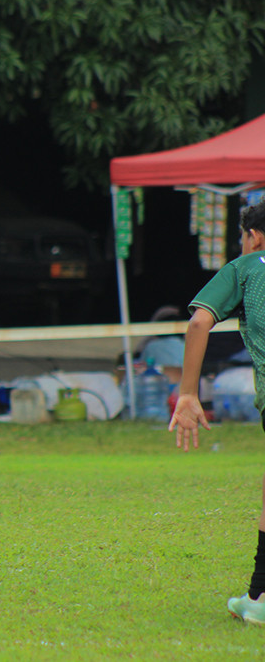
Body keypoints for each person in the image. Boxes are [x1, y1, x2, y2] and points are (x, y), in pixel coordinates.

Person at [170, 200, 265, 624]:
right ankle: (259, 596)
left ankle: (260, 602)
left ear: (254, 236)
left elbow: (197, 323)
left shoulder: (245, 268)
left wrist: (188, 393)